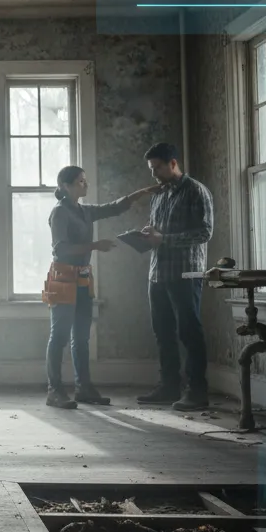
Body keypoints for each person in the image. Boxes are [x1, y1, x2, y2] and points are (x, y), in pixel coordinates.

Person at [43, 166, 161, 409]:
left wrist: (142, 192)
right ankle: (54, 390)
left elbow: (114, 207)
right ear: (66, 186)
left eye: (85, 181)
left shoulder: (85, 211)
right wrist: (95, 245)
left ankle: (83, 388)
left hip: (84, 280)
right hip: (64, 279)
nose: (85, 185)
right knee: (60, 336)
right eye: (80, 182)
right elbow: (61, 249)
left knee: (82, 338)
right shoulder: (60, 213)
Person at [135, 143, 215, 410]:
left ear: (172, 163)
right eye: (151, 169)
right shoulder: (159, 195)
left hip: (185, 272)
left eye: (157, 167)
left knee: (189, 332)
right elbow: (158, 232)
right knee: (163, 331)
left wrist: (164, 238)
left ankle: (197, 391)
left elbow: (205, 232)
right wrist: (150, 234)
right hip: (157, 273)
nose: (153, 173)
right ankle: (169, 386)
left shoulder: (196, 191)